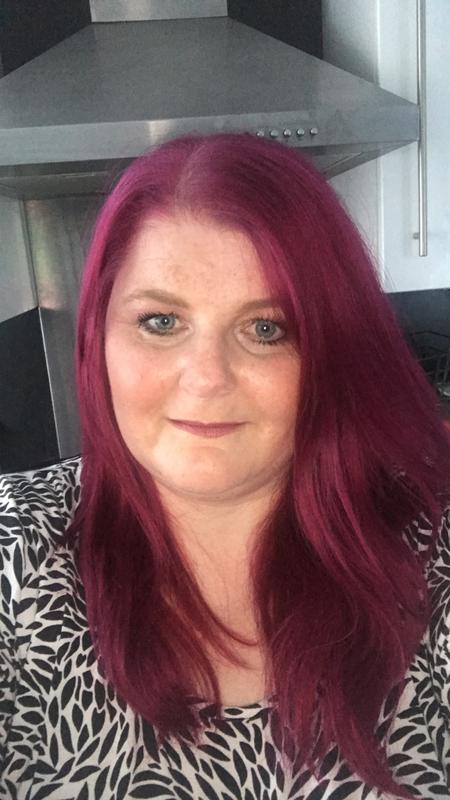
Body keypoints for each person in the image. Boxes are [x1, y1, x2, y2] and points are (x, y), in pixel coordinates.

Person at [1, 132, 450, 800]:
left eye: (266, 329)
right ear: (98, 336)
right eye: (160, 321)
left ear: (329, 355)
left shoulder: (432, 554)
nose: (207, 377)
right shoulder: (13, 547)